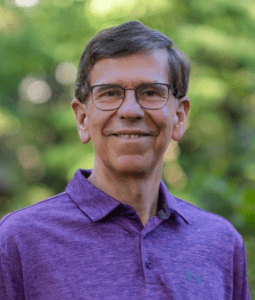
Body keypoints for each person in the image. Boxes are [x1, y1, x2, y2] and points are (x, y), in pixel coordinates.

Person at [0, 21, 251, 300]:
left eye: (150, 92)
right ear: (83, 119)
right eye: (109, 93)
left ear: (179, 117)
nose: (130, 110)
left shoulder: (222, 244)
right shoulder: (19, 242)